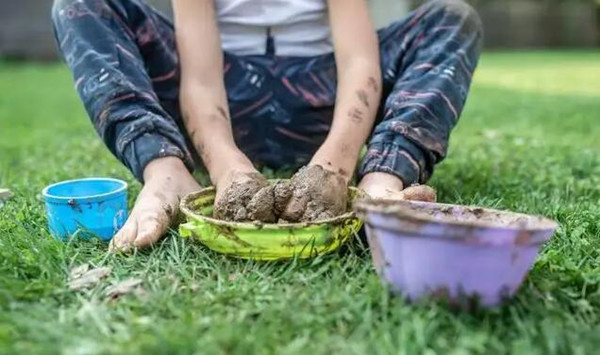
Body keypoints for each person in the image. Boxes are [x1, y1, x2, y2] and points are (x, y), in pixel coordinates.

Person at [51, 0, 482, 250]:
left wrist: (335, 167)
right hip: (220, 95)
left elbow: (359, 60)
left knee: (451, 17)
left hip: (324, 95)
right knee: (82, 4)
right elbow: (200, 78)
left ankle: (381, 184)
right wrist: (226, 169)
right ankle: (167, 173)